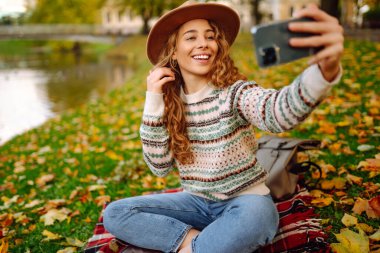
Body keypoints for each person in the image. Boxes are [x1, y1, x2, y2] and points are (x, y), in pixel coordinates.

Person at [103, 1, 343, 253]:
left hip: (246, 203)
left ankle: (196, 246)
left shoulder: (235, 93)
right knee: (116, 213)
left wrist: (323, 72)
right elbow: (159, 167)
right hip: (195, 203)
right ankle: (192, 243)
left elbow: (277, 112)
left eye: (210, 36)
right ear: (173, 51)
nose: (204, 43)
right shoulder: (169, 104)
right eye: (191, 37)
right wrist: (153, 99)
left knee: (257, 220)